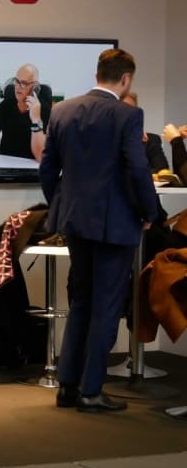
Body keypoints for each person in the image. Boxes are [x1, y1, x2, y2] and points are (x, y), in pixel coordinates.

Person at [40, 48, 157, 414]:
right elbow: (137, 169)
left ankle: (67, 387)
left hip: (75, 220)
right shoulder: (128, 115)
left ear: (97, 74)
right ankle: (91, 392)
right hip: (114, 224)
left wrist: (61, 205)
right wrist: (149, 211)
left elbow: (47, 168)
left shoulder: (61, 110)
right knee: (105, 307)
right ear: (126, 79)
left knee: (81, 302)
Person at [0, 63, 50, 162]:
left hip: (31, 165)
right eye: (17, 81)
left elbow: (40, 156)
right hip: (5, 163)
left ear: (35, 87)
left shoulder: (44, 110)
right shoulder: (5, 106)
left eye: (24, 83)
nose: (18, 87)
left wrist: (36, 119)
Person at [122, 91, 169, 173]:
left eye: (131, 110)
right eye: (123, 109)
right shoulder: (104, 140)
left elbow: (162, 171)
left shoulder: (150, 140)